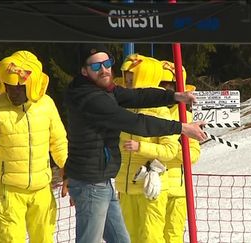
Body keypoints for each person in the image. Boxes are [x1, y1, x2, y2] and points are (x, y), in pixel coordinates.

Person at [62, 43, 206, 243]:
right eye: (96, 66)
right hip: (90, 183)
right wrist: (182, 128)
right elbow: (135, 122)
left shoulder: (102, 89)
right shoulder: (91, 98)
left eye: (107, 64)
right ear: (84, 71)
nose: (104, 70)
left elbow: (136, 95)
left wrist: (173, 96)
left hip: (100, 180)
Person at [0, 50, 68, 243]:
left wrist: (68, 170)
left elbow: (58, 142)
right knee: (9, 239)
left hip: (42, 189)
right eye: (8, 86)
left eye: (19, 87)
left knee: (43, 238)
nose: (12, 91)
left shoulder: (47, 105)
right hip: (9, 192)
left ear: (32, 84)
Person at [116, 54, 180, 243]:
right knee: (128, 237)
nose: (127, 84)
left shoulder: (161, 111)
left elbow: (170, 150)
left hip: (150, 186)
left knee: (151, 238)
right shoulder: (122, 108)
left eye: (131, 80)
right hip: (126, 186)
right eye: (126, 80)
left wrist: (141, 147)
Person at [159, 60, 201, 243]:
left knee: (173, 235)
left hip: (178, 188)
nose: (167, 93)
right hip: (154, 186)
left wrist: (169, 150)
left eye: (170, 89)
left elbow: (193, 154)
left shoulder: (187, 117)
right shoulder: (148, 113)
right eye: (162, 88)